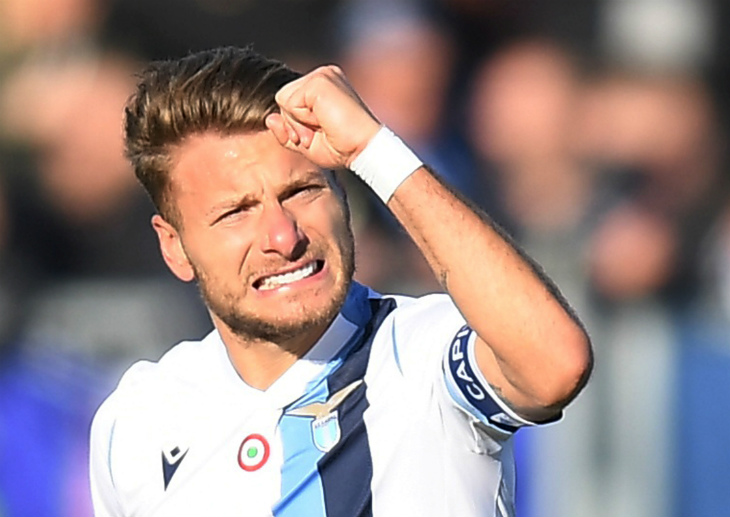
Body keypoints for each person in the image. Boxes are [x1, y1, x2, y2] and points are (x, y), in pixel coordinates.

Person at [89, 46, 592, 517]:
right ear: (174, 246)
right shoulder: (136, 421)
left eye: (302, 191)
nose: (283, 237)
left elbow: (555, 365)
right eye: (236, 212)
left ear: (343, 193)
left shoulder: (420, 355)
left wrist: (375, 148)